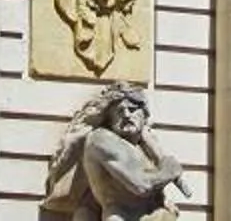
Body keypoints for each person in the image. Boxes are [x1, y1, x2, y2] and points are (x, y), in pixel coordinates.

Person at [38, 87, 189, 220]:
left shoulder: (144, 146)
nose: (127, 115)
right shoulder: (101, 139)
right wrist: (170, 169)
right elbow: (141, 185)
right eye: (119, 112)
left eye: (132, 109)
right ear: (109, 119)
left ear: (144, 115)